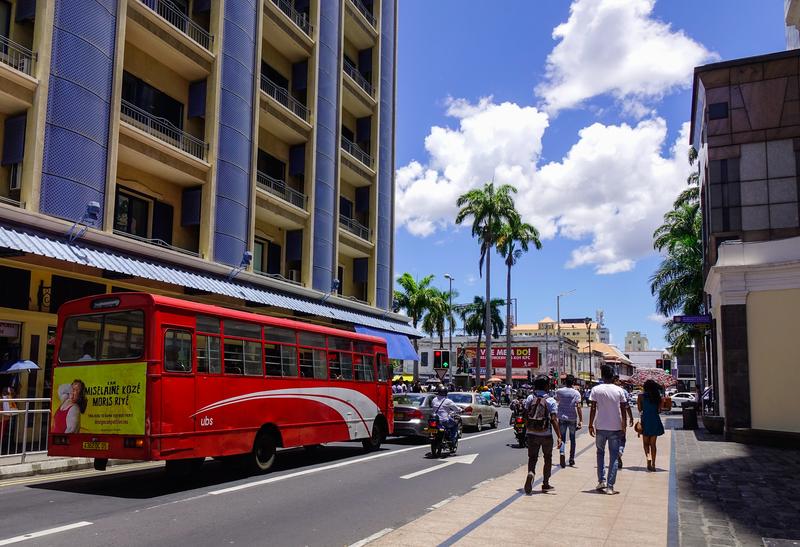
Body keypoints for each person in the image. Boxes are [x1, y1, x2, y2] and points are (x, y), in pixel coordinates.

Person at [589, 365, 628, 495]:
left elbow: (593, 408)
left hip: (600, 426)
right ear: (612, 376)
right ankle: (610, 487)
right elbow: (623, 409)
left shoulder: (596, 389)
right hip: (615, 428)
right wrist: (624, 425)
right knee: (614, 457)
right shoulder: (619, 390)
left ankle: (602, 481)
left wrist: (590, 424)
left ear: (602, 375)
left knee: (600, 453)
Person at [523, 375, 562, 494]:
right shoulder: (550, 400)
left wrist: (527, 429)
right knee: (548, 458)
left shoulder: (530, 398)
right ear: (547, 386)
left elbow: (525, 415)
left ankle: (531, 472)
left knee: (532, 457)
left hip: (532, 433)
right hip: (546, 434)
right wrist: (559, 436)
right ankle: (545, 483)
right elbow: (554, 419)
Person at [555, 375, 583, 468]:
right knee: (572, 439)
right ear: (573, 383)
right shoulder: (576, 393)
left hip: (562, 417)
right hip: (572, 418)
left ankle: (562, 452)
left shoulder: (559, 391)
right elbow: (578, 407)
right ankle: (571, 459)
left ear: (564, 382)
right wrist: (581, 420)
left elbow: (556, 401)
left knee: (562, 438)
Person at [638, 379, 665, 471]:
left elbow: (639, 409)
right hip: (655, 420)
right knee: (653, 444)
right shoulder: (658, 397)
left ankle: (648, 459)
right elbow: (659, 410)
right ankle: (653, 463)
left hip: (645, 420)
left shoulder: (641, 396)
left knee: (646, 444)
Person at [613, 375, 635, 469]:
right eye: (618, 380)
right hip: (622, 419)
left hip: (610, 420)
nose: (620, 382)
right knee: (622, 439)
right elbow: (627, 406)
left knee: (613, 439)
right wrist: (631, 417)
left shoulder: (606, 390)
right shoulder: (623, 392)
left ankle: (615, 457)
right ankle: (620, 452)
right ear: (616, 381)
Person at [1, 386, 18, 454]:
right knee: (1, 433)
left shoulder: (6, 398)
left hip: (4, 417)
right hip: (4, 417)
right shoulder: (7, 398)